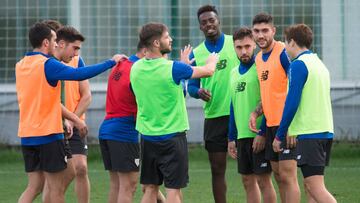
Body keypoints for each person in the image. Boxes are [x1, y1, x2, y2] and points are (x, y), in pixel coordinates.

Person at [16, 22, 124, 203]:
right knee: (56, 189)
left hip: (27, 134)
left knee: (34, 186)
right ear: (45, 43)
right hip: (48, 134)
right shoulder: (48, 64)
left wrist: (74, 119)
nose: (55, 44)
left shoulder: (21, 65)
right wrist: (111, 62)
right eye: (53, 40)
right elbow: (80, 74)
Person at [130, 22, 219, 203]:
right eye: (167, 36)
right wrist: (213, 60)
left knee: (150, 189)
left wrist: (182, 66)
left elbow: (169, 86)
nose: (171, 39)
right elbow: (208, 72)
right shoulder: (174, 69)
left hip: (147, 137)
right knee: (173, 190)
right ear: (156, 43)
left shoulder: (136, 68)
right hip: (172, 138)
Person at [273, 23, 336, 203]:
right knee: (313, 185)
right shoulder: (319, 64)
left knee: (314, 186)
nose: (284, 47)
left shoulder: (298, 65)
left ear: (292, 42)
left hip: (311, 133)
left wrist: (279, 134)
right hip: (324, 131)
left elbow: (291, 103)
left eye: (285, 43)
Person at [187, 5, 239, 203]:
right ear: (200, 27)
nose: (208, 24)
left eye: (211, 20)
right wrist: (198, 92)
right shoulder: (197, 54)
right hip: (214, 117)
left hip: (240, 114)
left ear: (218, 21)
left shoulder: (234, 44)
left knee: (251, 170)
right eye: (204, 22)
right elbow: (191, 86)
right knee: (217, 169)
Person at [249, 13, 300, 203]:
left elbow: (296, 88)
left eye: (265, 31)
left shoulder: (284, 53)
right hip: (270, 126)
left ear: (273, 31)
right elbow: (270, 95)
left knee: (288, 177)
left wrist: (292, 126)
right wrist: (260, 122)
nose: (260, 35)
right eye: (256, 31)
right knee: (278, 176)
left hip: (286, 125)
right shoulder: (258, 59)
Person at [228, 27, 276, 203]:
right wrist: (231, 137)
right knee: (247, 181)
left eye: (247, 46)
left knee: (264, 181)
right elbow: (233, 106)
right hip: (241, 136)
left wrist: (262, 132)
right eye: (239, 47)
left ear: (254, 45)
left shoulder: (260, 68)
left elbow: (269, 101)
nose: (244, 51)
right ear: (234, 47)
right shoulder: (233, 73)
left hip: (259, 135)